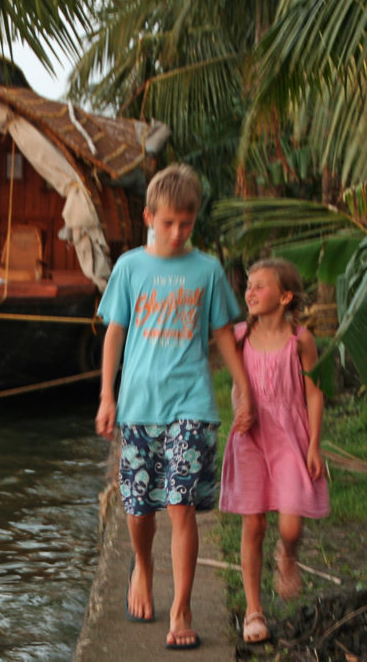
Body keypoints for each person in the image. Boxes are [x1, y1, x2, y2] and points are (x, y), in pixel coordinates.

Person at [95, 163, 254, 651]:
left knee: (182, 504)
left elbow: (223, 333)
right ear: (148, 216)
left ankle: (182, 607)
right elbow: (115, 333)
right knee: (140, 508)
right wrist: (107, 394)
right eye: (168, 223)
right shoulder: (129, 268)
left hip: (192, 402)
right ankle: (142, 567)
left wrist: (243, 387)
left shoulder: (205, 270)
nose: (178, 232)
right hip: (140, 405)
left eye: (186, 223)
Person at [219, 258, 330, 644]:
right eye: (248, 285)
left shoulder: (301, 340)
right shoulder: (237, 336)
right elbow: (234, 381)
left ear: (284, 297)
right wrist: (239, 408)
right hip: (250, 438)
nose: (250, 291)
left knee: (290, 525)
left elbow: (315, 392)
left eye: (260, 286)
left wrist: (314, 444)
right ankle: (254, 611)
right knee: (253, 524)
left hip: (289, 438)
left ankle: (288, 554)